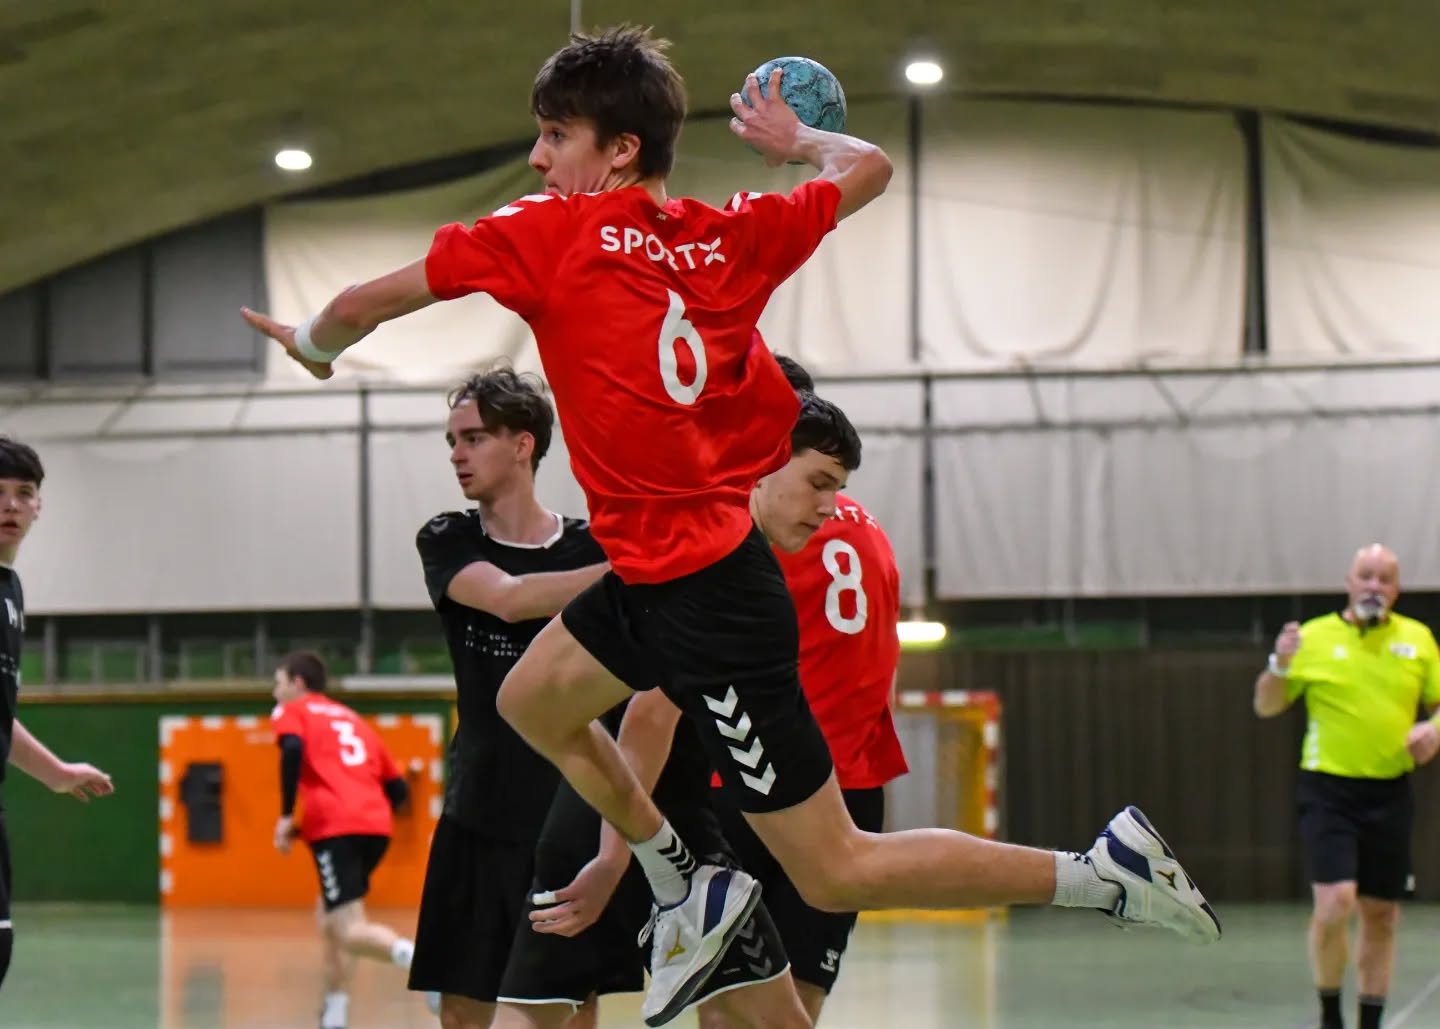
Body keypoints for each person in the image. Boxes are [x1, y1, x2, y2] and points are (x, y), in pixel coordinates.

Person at [240, 27, 1218, 1025]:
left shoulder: (542, 232)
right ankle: (682, 879)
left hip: (712, 600)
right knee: (532, 701)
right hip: (649, 580)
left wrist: (314, 348)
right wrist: (799, 142)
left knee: (835, 869)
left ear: (619, 149)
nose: (538, 158)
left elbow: (364, 302)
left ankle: (1101, 873)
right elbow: (869, 167)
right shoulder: (731, 235)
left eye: (555, 135)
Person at [491, 390, 864, 1029]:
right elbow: (647, 719)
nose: (827, 506)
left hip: (662, 816)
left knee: (565, 1007)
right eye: (817, 481)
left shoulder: (722, 549)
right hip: (629, 818)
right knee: (541, 1008)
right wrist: (618, 857)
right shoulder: (710, 568)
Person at [699, 356, 905, 1025]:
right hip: (853, 780)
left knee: (726, 1000)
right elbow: (886, 659)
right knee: (799, 1001)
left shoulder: (749, 525)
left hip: (753, 780)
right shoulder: (869, 528)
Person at [405, 367, 608, 1029]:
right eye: (451, 440)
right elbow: (509, 599)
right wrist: (636, 570)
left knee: (571, 1007)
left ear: (522, 444)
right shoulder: (449, 537)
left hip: (568, 815)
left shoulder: (590, 541)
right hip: (479, 811)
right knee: (464, 1010)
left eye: (473, 438)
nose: (457, 454)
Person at [1254, 544, 1440, 1029]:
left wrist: (1433, 731)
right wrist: (1278, 664)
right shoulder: (1311, 637)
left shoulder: (1418, 640)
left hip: (1390, 792)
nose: (1374, 586)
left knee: (1381, 915)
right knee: (1336, 901)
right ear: (1349, 582)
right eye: (1366, 576)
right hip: (1328, 790)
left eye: (1385, 578)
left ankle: (1369, 1022)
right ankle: (1330, 1013)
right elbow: (1267, 706)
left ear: (1397, 589)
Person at [0, 436, 115, 990]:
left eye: (24, 493)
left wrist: (57, 774)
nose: (11, 506)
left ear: (39, 506)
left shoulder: (10, 589)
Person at [270, 651, 416, 1029]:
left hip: (336, 828)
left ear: (298, 684)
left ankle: (417, 961)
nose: (276, 691)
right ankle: (334, 1013)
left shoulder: (293, 710)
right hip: (375, 827)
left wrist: (287, 815)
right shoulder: (353, 719)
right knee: (331, 915)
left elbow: (291, 750)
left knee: (349, 927)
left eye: (279, 682)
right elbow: (398, 790)